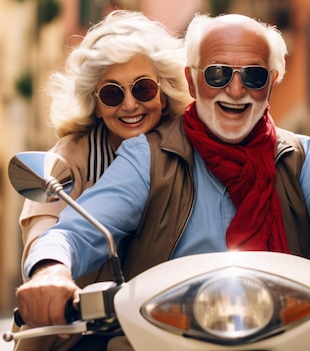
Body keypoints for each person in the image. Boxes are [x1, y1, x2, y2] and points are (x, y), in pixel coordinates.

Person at [16, 12, 310, 350]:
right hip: (164, 339)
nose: (236, 90)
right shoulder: (145, 154)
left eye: (254, 76)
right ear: (192, 79)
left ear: (272, 85)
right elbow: (78, 229)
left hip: (286, 334)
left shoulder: (297, 156)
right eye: (218, 74)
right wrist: (50, 269)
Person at [12, 9, 193, 351]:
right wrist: (50, 272)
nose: (129, 104)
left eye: (143, 89)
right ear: (94, 104)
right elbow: (45, 231)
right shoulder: (67, 159)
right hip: (83, 329)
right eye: (112, 93)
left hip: (175, 328)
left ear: (163, 93)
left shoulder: (190, 146)